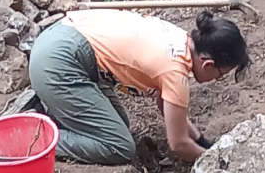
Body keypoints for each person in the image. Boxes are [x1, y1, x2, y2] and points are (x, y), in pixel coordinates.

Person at [29, 9, 249, 165]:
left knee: (119, 125)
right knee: (118, 146)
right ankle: (34, 140)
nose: (216, 80)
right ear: (208, 63)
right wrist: (215, 162)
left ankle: (51, 114)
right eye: (220, 75)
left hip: (60, 41)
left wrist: (201, 141)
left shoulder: (180, 40)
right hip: (58, 62)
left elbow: (166, 105)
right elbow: (178, 144)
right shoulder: (174, 72)